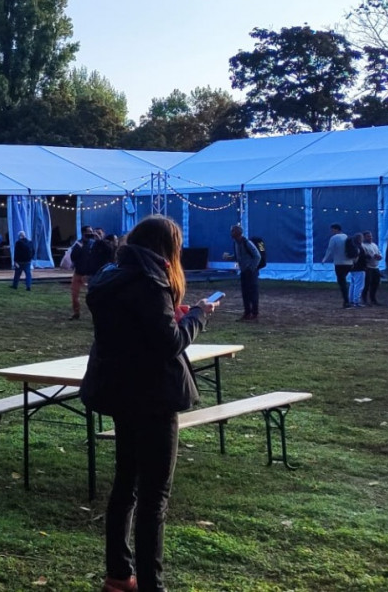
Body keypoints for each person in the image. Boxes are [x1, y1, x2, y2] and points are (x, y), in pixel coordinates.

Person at [80, 215, 218, 592]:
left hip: (119, 390)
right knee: (154, 496)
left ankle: (118, 574)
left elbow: (137, 329)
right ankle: (151, 585)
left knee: (126, 485)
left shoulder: (110, 276)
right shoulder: (150, 281)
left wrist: (172, 315)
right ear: (166, 247)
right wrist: (198, 316)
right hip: (154, 396)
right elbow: (169, 342)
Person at [225, 224, 261, 321]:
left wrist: (251, 268)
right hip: (244, 271)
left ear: (238, 233)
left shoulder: (247, 243)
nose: (231, 233)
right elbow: (238, 256)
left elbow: (257, 256)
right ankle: (247, 313)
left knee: (253, 293)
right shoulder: (236, 243)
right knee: (245, 293)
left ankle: (254, 313)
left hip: (251, 272)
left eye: (233, 231)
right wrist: (229, 257)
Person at [68, 226, 99, 320]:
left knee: (92, 295)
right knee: (74, 295)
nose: (91, 233)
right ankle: (76, 313)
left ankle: (95, 314)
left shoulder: (94, 244)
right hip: (78, 273)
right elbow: (73, 257)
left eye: (92, 231)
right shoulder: (78, 244)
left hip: (89, 274)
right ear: (83, 233)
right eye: (89, 232)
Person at [320, 223, 352, 309]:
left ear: (336, 229)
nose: (331, 232)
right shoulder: (347, 237)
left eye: (332, 230)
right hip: (349, 263)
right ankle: (349, 299)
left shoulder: (334, 238)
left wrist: (324, 259)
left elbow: (330, 249)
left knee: (342, 282)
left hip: (339, 263)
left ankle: (346, 301)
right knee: (345, 281)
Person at [361, 231, 382, 307]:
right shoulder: (363, 246)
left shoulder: (374, 245)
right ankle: (364, 299)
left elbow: (379, 253)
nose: (370, 237)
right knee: (367, 284)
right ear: (364, 237)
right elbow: (363, 257)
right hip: (368, 267)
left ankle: (373, 299)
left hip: (375, 267)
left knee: (375, 284)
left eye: (371, 236)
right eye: (368, 236)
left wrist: (379, 257)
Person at [348, 233, 368, 308]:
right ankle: (356, 301)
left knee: (353, 284)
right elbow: (361, 257)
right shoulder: (359, 247)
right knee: (359, 285)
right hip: (360, 268)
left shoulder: (353, 247)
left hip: (353, 268)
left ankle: (351, 300)